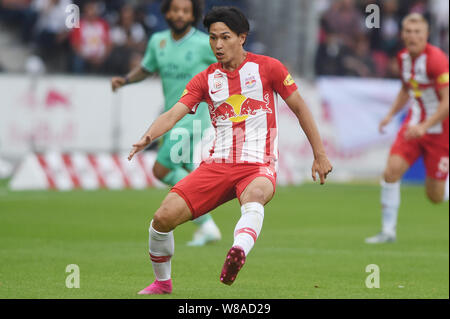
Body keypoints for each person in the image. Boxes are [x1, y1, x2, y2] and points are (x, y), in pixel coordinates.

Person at [127, 6, 333, 295]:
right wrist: (147, 137)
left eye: (225, 37)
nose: (218, 45)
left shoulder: (269, 68)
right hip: (216, 165)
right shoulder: (205, 79)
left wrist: (320, 153)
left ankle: (238, 251)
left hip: (257, 164)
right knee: (161, 219)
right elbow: (174, 114)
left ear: (242, 37)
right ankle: (162, 283)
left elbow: (300, 108)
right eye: (212, 38)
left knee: (255, 196)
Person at [111, 0, 221, 247]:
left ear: (193, 15)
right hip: (170, 118)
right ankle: (207, 222)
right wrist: (126, 80)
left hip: (194, 117)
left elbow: (228, 64)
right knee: (185, 172)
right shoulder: (157, 41)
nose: (180, 14)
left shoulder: (205, 44)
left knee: (161, 169)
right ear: (167, 12)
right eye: (175, 10)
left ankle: (207, 222)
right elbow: (146, 69)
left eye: (185, 10)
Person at [365, 13, 449, 244]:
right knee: (391, 172)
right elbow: (406, 89)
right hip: (413, 126)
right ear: (402, 34)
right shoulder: (403, 58)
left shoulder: (436, 59)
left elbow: (447, 101)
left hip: (440, 131)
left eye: (417, 32)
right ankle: (388, 231)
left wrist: (426, 126)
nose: (412, 36)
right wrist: (391, 114)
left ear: (426, 35)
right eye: (408, 32)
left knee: (435, 197)